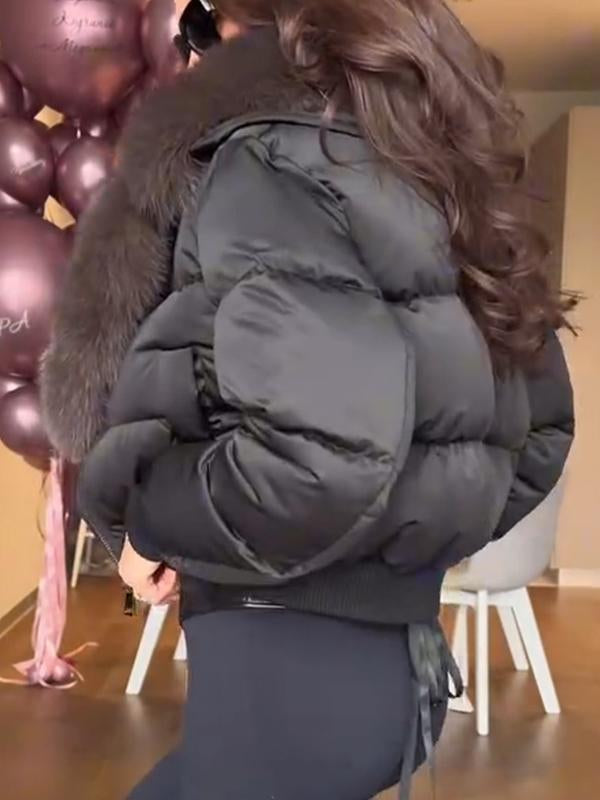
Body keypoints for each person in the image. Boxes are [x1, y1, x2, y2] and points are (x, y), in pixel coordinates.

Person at [41, 1, 575, 798]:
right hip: (385, 667)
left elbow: (315, 463)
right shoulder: (430, 166)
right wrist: (397, 553)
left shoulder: (270, 160)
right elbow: (538, 433)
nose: (187, 56)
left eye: (197, 27)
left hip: (283, 682)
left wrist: (154, 520)